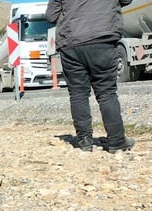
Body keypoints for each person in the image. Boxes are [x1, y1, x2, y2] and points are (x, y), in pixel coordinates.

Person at [46, 0, 135, 153]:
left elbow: (51, 16)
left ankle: (84, 140)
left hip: (71, 42)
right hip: (103, 38)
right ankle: (117, 140)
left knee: (78, 93)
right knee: (106, 92)